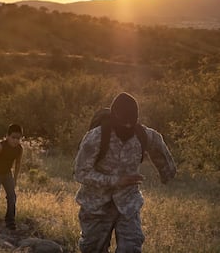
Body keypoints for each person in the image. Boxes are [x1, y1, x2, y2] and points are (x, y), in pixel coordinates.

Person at [74, 92, 177, 253]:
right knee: (93, 248)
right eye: (124, 122)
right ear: (115, 116)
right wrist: (115, 180)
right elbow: (80, 173)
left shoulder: (143, 135)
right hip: (96, 205)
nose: (128, 126)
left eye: (132, 122)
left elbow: (158, 145)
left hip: (128, 205)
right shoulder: (96, 137)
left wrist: (167, 173)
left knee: (131, 247)